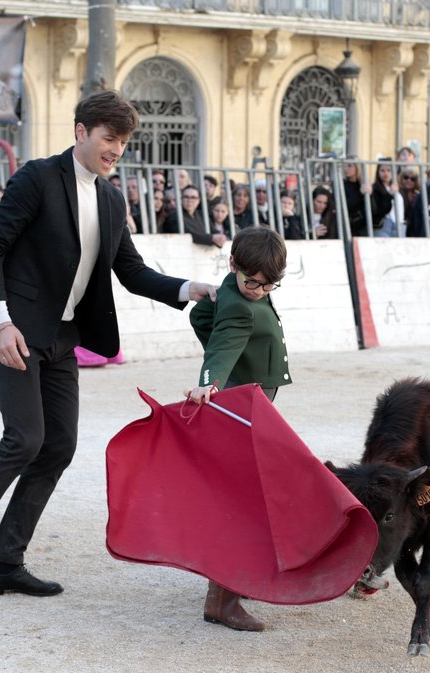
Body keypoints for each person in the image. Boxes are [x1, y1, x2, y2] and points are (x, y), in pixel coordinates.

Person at [0, 90, 217, 597]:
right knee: (24, 439)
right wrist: (0, 322)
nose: (117, 150)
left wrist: (187, 289)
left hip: (62, 339)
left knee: (59, 445)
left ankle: (4, 563)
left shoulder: (111, 198)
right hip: (15, 330)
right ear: (81, 132)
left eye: (124, 142)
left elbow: (131, 272)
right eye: (111, 138)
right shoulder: (37, 177)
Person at [186, 225, 291, 632]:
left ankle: (230, 587)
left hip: (246, 397)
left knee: (246, 492)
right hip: (245, 403)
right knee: (245, 497)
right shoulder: (237, 304)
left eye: (269, 286)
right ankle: (222, 601)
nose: (259, 290)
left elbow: (200, 316)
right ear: (232, 264)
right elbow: (225, 341)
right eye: (253, 282)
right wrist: (214, 381)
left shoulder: (230, 289)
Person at [370, 160, 399, 237]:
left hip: (399, 224)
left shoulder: (398, 187)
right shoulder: (375, 188)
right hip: (383, 224)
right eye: (382, 170)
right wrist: (389, 195)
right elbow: (379, 209)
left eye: (389, 170)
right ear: (378, 172)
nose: (386, 173)